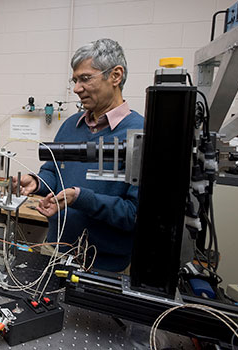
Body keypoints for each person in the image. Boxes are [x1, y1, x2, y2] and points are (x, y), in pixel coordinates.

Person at [15, 38, 144, 272]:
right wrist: (37, 182)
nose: (76, 88)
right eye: (75, 80)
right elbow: (53, 171)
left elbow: (133, 214)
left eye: (85, 79)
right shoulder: (71, 125)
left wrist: (80, 198)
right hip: (56, 251)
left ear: (115, 76)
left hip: (106, 266)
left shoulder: (139, 133)